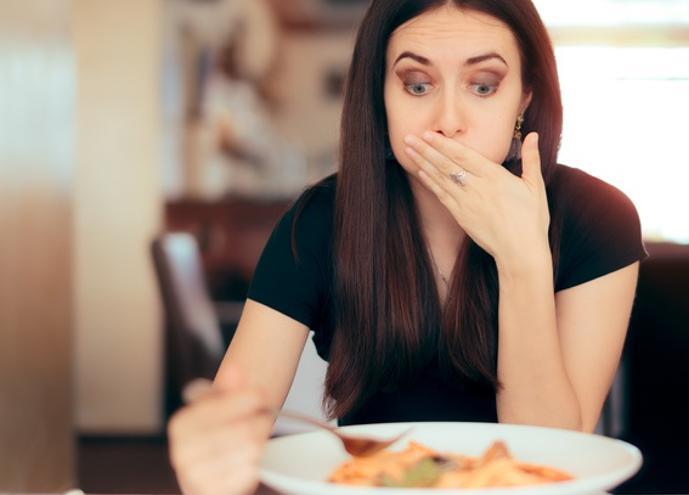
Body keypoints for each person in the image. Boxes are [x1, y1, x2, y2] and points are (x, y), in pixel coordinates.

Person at [167, 1, 647, 494]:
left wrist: (522, 257)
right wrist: (214, 456)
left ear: (523, 98)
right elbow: (234, 422)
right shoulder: (319, 222)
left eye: (483, 86)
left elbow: (550, 457)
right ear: (381, 97)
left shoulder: (598, 218)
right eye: (417, 85)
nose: (448, 120)